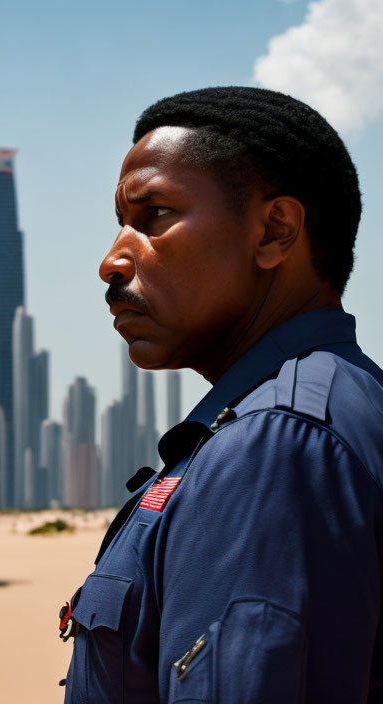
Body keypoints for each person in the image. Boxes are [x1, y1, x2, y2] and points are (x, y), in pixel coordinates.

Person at [60, 86, 383, 702]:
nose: (113, 261)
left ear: (274, 231)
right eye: (120, 224)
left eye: (154, 214)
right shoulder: (336, 405)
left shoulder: (275, 446)